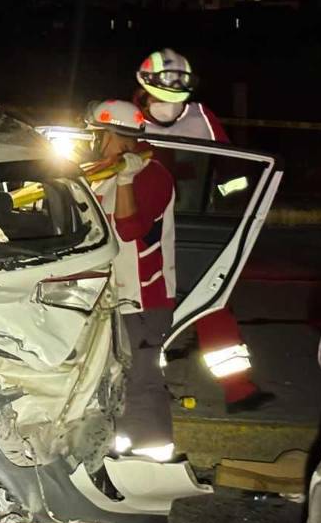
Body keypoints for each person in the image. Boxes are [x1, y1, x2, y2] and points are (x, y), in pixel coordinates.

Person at [133, 49, 272, 412]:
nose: (170, 108)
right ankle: (143, 390)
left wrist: (221, 195)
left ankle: (238, 390)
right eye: (162, 99)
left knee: (211, 304)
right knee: (140, 312)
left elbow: (235, 171)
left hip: (194, 225)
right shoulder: (123, 119)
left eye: (176, 100)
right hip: (140, 232)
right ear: (144, 90)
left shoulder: (202, 119)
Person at [87, 100, 177, 462]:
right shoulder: (99, 173)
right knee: (101, 383)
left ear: (111, 136)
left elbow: (130, 230)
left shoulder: (152, 176)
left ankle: (151, 464)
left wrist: (125, 179)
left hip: (140, 303)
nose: (92, 142)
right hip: (103, 300)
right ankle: (111, 456)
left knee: (140, 384)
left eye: (97, 135)